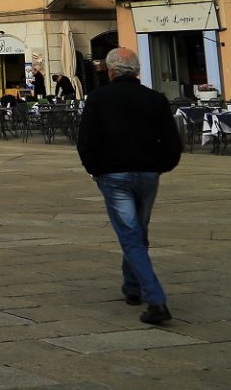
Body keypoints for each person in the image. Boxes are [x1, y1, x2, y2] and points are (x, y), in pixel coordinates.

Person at [76, 47, 182, 326]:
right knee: (137, 232)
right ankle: (132, 288)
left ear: (110, 71)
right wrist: (162, 166)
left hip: (113, 175)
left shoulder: (98, 98)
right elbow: (173, 142)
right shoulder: (155, 99)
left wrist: (96, 170)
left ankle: (156, 300)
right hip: (148, 174)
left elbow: (86, 141)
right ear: (137, 71)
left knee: (131, 235)